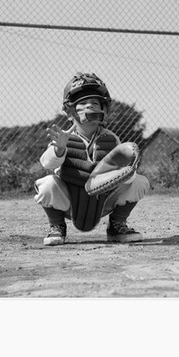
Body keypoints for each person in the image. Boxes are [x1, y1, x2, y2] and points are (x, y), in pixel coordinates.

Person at [33, 72, 149, 246]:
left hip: (102, 202)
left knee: (140, 181)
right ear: (70, 112)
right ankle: (57, 226)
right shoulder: (64, 138)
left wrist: (126, 172)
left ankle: (117, 225)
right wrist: (60, 148)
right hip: (69, 201)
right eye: (83, 104)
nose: (90, 108)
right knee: (47, 183)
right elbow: (47, 163)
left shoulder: (110, 139)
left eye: (95, 103)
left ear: (103, 111)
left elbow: (122, 168)